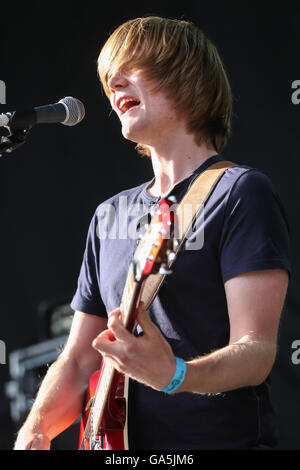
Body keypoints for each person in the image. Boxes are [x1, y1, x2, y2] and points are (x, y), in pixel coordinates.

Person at [14, 16, 290, 450]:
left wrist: (177, 374)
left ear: (186, 77)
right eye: (108, 77)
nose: (113, 82)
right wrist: (35, 430)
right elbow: (81, 358)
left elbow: (256, 351)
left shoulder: (240, 192)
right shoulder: (109, 215)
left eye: (131, 67)